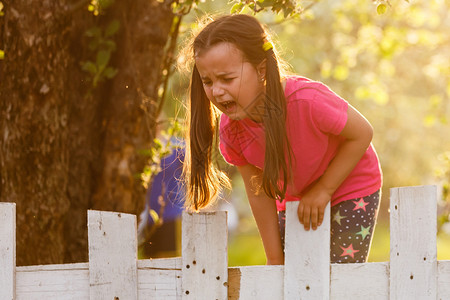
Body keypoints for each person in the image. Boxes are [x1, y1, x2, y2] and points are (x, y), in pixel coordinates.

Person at [182, 14, 382, 265]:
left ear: (261, 69)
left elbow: (362, 133)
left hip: (350, 187)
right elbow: (258, 194)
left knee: (339, 277)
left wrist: (324, 190)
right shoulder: (232, 131)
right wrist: (274, 261)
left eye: (227, 78)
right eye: (207, 81)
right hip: (297, 197)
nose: (217, 90)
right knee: (295, 275)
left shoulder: (307, 100)